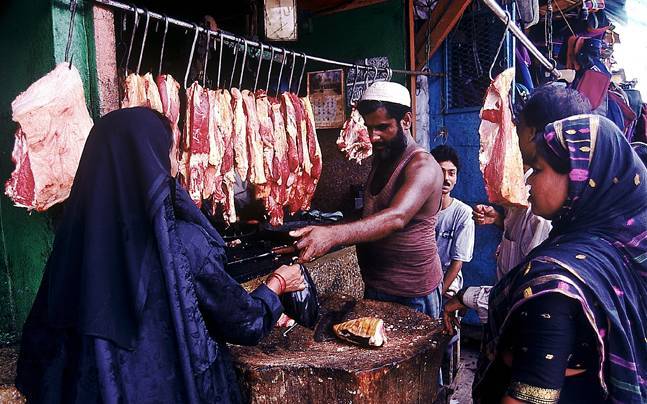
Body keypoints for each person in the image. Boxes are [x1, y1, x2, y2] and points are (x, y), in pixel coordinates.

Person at [15, 107, 305, 404]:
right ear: (151, 161)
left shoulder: (74, 248)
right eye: (173, 152)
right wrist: (278, 284)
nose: (177, 165)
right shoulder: (185, 243)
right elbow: (244, 322)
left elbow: (40, 355)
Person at [473, 115, 647, 403]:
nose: (528, 180)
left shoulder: (556, 281)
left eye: (538, 169)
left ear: (580, 177)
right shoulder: (620, 253)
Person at [290, 81, 445, 318]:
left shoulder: (422, 166)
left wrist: (332, 236)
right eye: (370, 127)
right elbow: (370, 214)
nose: (374, 137)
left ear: (406, 120)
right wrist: (318, 232)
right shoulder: (383, 158)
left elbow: (396, 217)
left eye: (383, 127)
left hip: (413, 293)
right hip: (377, 286)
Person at [444, 84, 590, 325]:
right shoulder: (527, 191)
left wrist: (465, 296)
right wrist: (500, 219)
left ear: (532, 134)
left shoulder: (543, 206)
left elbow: (528, 294)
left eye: (515, 129)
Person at [430, 145, 474, 297]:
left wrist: (437, 296)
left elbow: (457, 262)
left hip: (448, 281)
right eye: (441, 172)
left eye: (452, 173)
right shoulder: (418, 209)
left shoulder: (463, 213)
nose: (446, 179)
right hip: (420, 278)